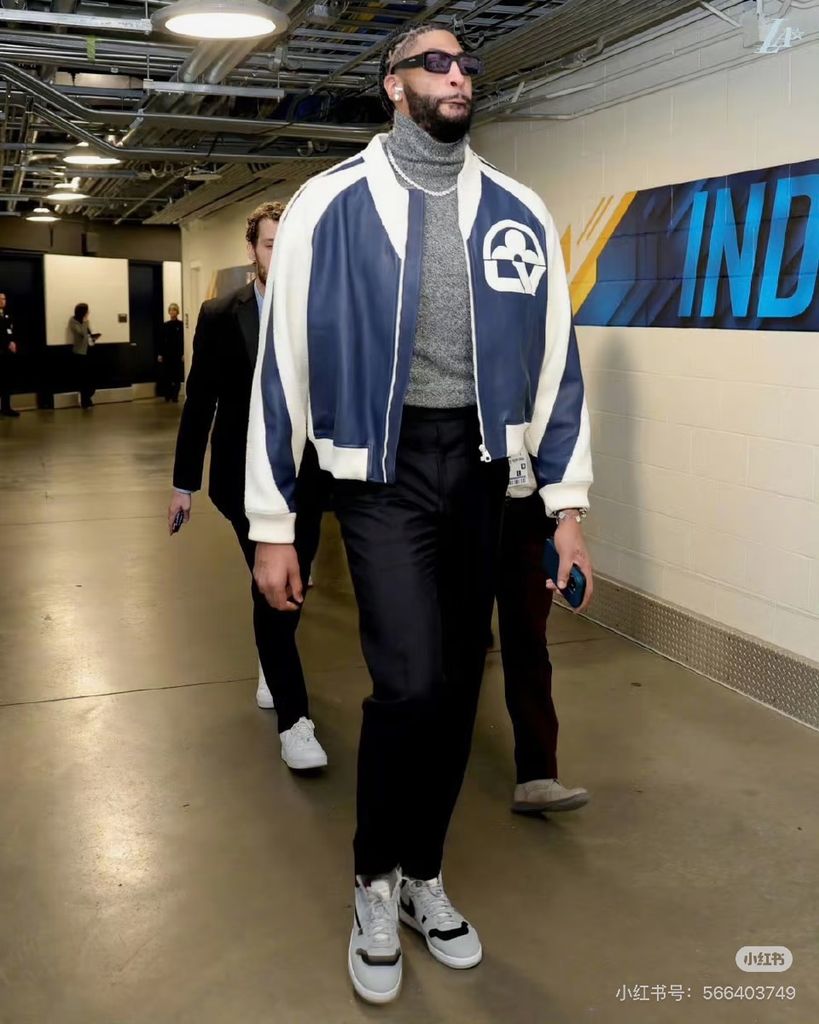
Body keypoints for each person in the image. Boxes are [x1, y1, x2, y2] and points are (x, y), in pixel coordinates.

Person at [246, 23, 594, 1005]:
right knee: (406, 682)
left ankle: (422, 876)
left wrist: (565, 505)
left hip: (482, 471)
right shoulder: (328, 206)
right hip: (380, 470)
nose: (457, 75)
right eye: (434, 63)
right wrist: (273, 522)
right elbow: (282, 369)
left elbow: (556, 368)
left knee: (453, 687)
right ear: (393, 86)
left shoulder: (518, 210)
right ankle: (372, 878)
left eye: (465, 63)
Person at [168, 201, 329, 772]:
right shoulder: (220, 314)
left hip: (306, 479)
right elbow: (201, 402)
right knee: (272, 584)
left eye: (288, 245)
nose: (278, 255)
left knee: (293, 582)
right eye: (269, 244)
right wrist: (184, 483)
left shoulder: (321, 310)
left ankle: (271, 655)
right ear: (252, 250)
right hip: (241, 479)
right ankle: (295, 721)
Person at [498, 458, 590, 815]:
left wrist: (569, 515)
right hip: (461, 500)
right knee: (455, 644)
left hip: (528, 506)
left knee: (529, 640)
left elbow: (561, 434)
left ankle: (537, 775)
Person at [68, 303, 98, 409]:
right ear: (82, 312)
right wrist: (85, 322)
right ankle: (85, 401)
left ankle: (87, 398)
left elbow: (88, 335)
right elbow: (81, 333)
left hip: (88, 352)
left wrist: (94, 338)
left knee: (90, 378)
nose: (88, 313)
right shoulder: (73, 321)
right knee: (83, 379)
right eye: (86, 311)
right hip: (79, 353)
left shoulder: (86, 322)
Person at [158, 302, 184, 402]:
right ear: (169, 312)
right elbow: (161, 340)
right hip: (167, 354)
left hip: (177, 354)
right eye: (171, 310)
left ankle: (175, 396)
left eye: (174, 310)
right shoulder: (165, 325)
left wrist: (183, 353)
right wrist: (160, 354)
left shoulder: (181, 325)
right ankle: (167, 395)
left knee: (177, 376)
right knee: (167, 376)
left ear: (177, 312)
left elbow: (182, 341)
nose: (172, 312)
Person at [0, 291, 21, 418]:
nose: (3, 301)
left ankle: (6, 407)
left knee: (7, 381)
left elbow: (10, 331)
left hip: (7, 354)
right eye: (0, 299)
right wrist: (6, 343)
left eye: (4, 299)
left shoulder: (7, 315)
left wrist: (12, 341)